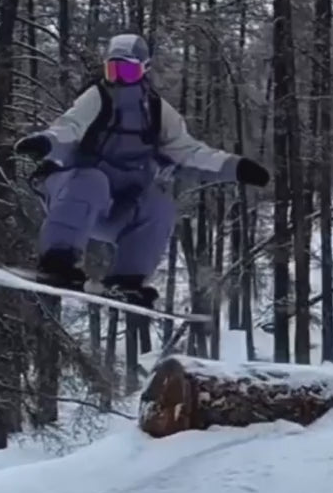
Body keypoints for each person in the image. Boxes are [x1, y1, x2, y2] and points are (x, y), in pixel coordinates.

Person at [15, 33, 269, 307]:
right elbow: (69, 127)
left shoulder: (158, 112)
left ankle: (127, 279)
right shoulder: (97, 98)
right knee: (93, 180)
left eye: (128, 71)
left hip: (115, 209)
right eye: (113, 70)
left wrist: (235, 167)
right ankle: (58, 261)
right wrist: (45, 142)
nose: (119, 78)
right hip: (70, 192)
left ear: (144, 69)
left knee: (159, 204)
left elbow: (190, 154)